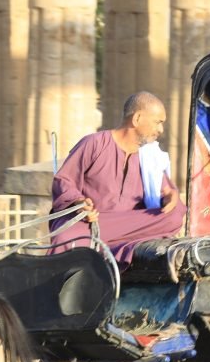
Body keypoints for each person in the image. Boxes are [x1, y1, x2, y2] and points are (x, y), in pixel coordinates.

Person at [49, 91, 186, 270]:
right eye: (157, 122)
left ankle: (111, 240)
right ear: (137, 118)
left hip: (130, 223)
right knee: (65, 236)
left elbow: (166, 193)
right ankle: (113, 240)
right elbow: (64, 180)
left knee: (174, 216)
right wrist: (79, 202)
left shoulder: (150, 157)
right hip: (92, 222)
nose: (160, 130)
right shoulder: (95, 143)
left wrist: (170, 196)